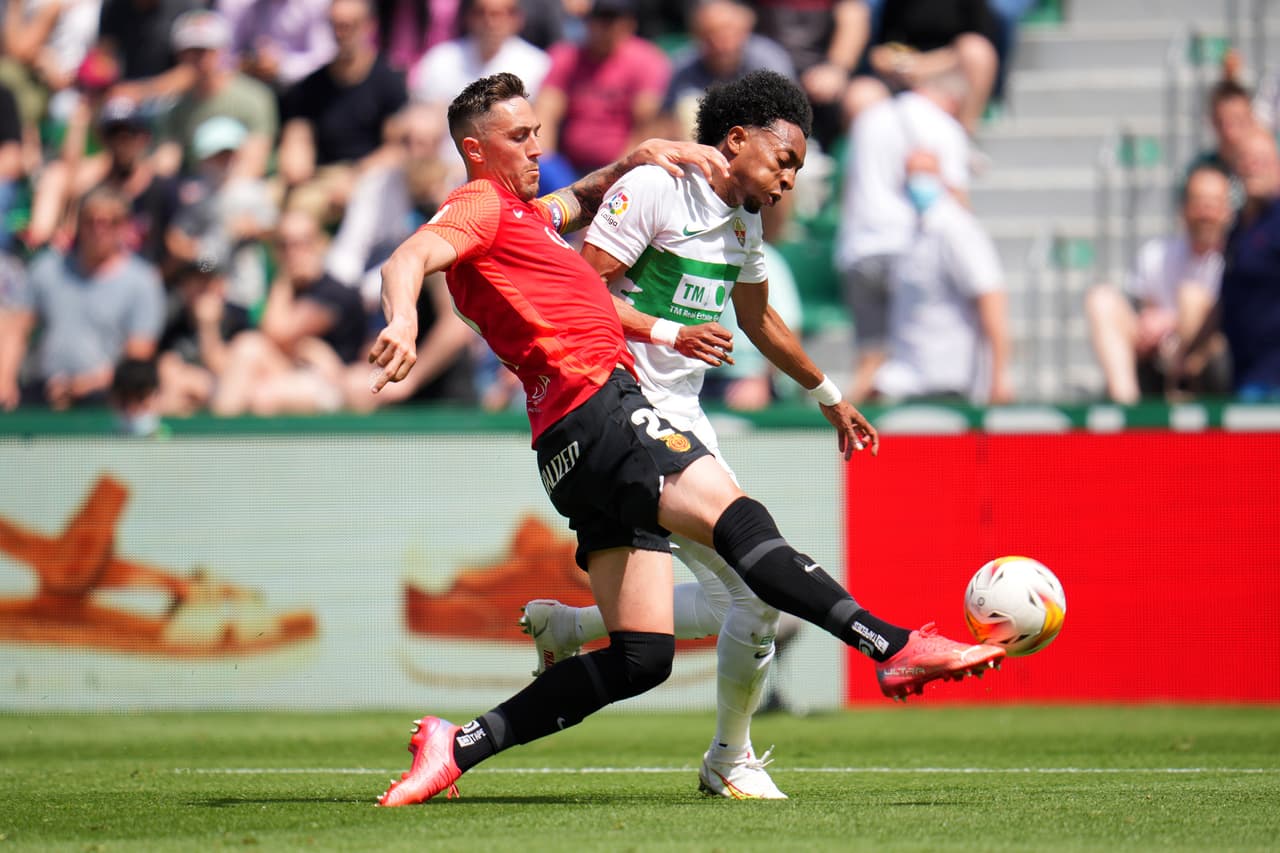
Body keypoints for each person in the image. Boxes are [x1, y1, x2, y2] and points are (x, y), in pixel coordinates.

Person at [369, 71, 1004, 807]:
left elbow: (580, 197)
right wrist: (403, 319)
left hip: (566, 443)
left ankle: (459, 743)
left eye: (540, 131)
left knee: (644, 657)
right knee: (742, 522)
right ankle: (892, 646)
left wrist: (636, 153)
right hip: (602, 403)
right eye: (520, 137)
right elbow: (407, 257)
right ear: (477, 151)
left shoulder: (525, 214)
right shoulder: (478, 201)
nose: (538, 147)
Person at [517, 70, 861, 800]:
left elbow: (761, 319)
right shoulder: (654, 187)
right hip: (623, 410)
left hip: (685, 417)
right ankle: (727, 760)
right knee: (754, 593)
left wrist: (827, 393)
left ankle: (574, 629)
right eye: (784, 159)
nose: (789, 179)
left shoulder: (744, 222)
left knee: (742, 593)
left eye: (797, 167)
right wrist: (670, 328)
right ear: (736, 139)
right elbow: (584, 291)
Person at [834, 66, 970, 403]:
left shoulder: (869, 118)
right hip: (908, 252)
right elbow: (955, 199)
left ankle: (849, 431)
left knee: (870, 358)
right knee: (913, 366)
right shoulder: (943, 126)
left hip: (858, 249)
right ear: (952, 100)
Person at [0, 186, 165, 410]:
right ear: (79, 223)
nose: (100, 230)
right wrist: (5, 380)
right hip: (42, 392)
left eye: (111, 222)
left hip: (106, 401)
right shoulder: (47, 269)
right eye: (91, 221)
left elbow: (137, 355)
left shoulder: (142, 282)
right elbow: (16, 328)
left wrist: (80, 386)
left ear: (125, 226)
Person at [870, 148, 1012, 403]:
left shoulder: (956, 228)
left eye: (925, 172)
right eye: (911, 173)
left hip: (950, 378)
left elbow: (990, 295)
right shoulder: (912, 230)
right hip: (911, 374)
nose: (917, 181)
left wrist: (999, 375)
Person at [1085, 165, 1233, 405]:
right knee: (1100, 298)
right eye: (1198, 201)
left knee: (1191, 299)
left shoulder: (1238, 258)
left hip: (1209, 360)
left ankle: (1180, 395)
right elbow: (1145, 309)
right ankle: (1127, 406)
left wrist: (1173, 321)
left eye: (1213, 202)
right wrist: (1152, 326)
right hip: (1158, 356)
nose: (1206, 212)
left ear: (1227, 210)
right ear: (1184, 208)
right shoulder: (1156, 254)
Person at [211, 210, 366, 416]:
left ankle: (225, 439)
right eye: (284, 245)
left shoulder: (336, 292)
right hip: (288, 373)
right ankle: (219, 437)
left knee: (262, 395)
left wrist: (283, 279)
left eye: (302, 242)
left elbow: (278, 332)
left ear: (320, 243)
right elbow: (237, 355)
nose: (293, 252)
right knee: (247, 346)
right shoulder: (280, 292)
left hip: (334, 385)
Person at [276, 0, 407, 225]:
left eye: (350, 25)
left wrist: (355, 176)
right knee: (258, 203)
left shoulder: (388, 80)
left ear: (369, 26)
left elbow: (396, 148)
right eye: (335, 25)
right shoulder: (311, 85)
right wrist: (294, 159)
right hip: (316, 175)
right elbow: (298, 134)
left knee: (301, 209)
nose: (341, 33)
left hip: (364, 178)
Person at [533, 0, 671, 190]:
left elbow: (645, 127)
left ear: (629, 24)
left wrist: (611, 174)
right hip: (568, 168)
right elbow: (544, 116)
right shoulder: (566, 58)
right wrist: (544, 162)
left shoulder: (647, 61)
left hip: (624, 168)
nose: (607, 27)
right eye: (601, 18)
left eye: (614, 19)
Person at [1196, 128, 1280, 399]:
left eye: (1261, 159)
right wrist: (1192, 351)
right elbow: (1226, 298)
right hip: (1244, 370)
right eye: (1245, 159)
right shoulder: (1238, 229)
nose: (1252, 167)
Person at [154, 10, 279, 180]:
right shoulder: (175, 106)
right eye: (191, 51)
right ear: (179, 55)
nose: (198, 58)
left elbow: (255, 161)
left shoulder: (254, 97)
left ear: (221, 51)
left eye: (205, 50)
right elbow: (167, 158)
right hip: (197, 189)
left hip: (250, 187)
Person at [844, 0, 998, 134]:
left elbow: (980, 46)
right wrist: (899, 63)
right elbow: (883, 48)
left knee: (976, 50)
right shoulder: (897, 3)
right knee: (860, 94)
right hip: (904, 78)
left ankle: (963, 140)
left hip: (950, 76)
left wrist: (924, 66)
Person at [219, 0, 336, 90]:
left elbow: (325, 56)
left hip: (302, 89)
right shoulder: (247, 6)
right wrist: (245, 63)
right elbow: (229, 51)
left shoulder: (314, 4)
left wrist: (281, 67)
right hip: (257, 86)